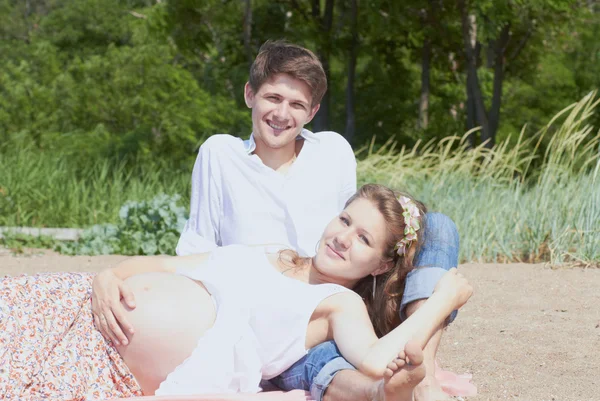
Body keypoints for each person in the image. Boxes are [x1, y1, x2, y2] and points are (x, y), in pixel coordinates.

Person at [94, 41, 462, 401]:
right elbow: (198, 248)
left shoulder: (332, 151)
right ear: (249, 94)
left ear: (313, 112)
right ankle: (373, 390)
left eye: (297, 104)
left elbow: (354, 226)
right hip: (268, 297)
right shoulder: (219, 154)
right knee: (317, 359)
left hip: (329, 291)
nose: (282, 114)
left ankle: (424, 369)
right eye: (273, 98)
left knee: (438, 226)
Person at [0, 185, 472, 401]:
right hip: (71, 309)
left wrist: (439, 304)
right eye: (346, 219)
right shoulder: (272, 251)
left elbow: (374, 359)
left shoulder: (337, 304)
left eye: (364, 239)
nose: (344, 237)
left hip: (103, 367)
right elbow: (165, 264)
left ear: (382, 265)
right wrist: (108, 276)